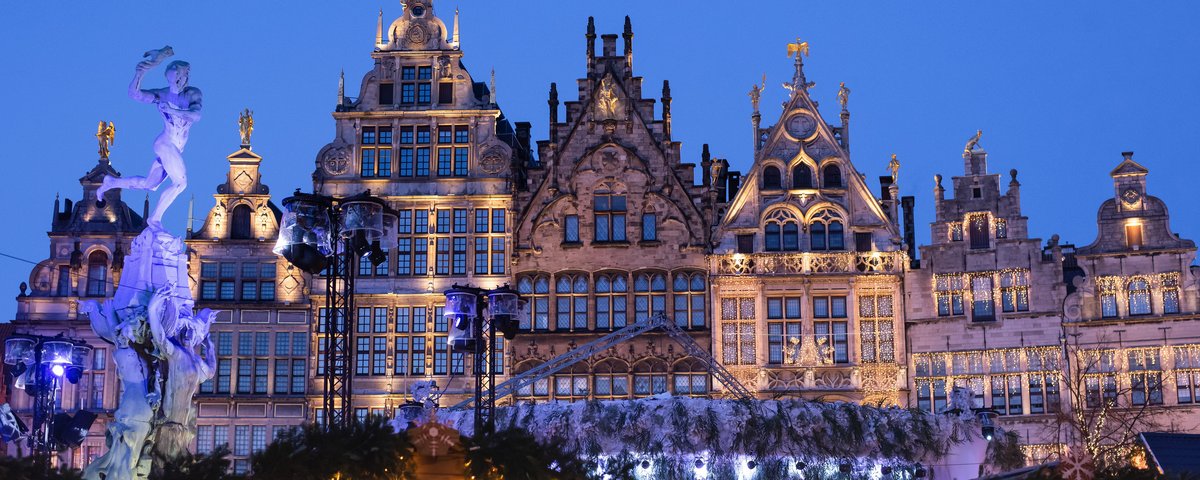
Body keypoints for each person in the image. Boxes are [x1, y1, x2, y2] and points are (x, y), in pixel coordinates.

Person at [96, 46, 202, 230]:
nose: (181, 81)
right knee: (180, 183)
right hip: (165, 144)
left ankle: (111, 182)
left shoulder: (192, 94)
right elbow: (135, 94)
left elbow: (196, 115)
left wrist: (173, 110)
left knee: (150, 184)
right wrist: (139, 74)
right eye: (177, 78)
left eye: (183, 77)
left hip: (175, 148)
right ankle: (155, 220)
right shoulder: (162, 94)